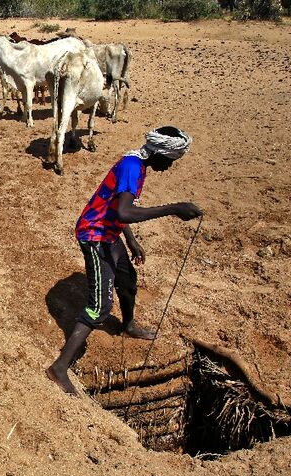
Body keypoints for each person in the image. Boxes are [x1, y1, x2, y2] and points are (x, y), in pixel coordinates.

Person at [46, 126, 203, 395]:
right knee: (100, 306)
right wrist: (173, 209)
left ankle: (128, 325)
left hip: (110, 233)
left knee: (127, 280)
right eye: (171, 161)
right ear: (161, 153)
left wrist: (130, 240)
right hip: (94, 235)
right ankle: (59, 367)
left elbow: (116, 208)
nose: (170, 166)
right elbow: (124, 210)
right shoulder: (132, 167)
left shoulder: (137, 165)